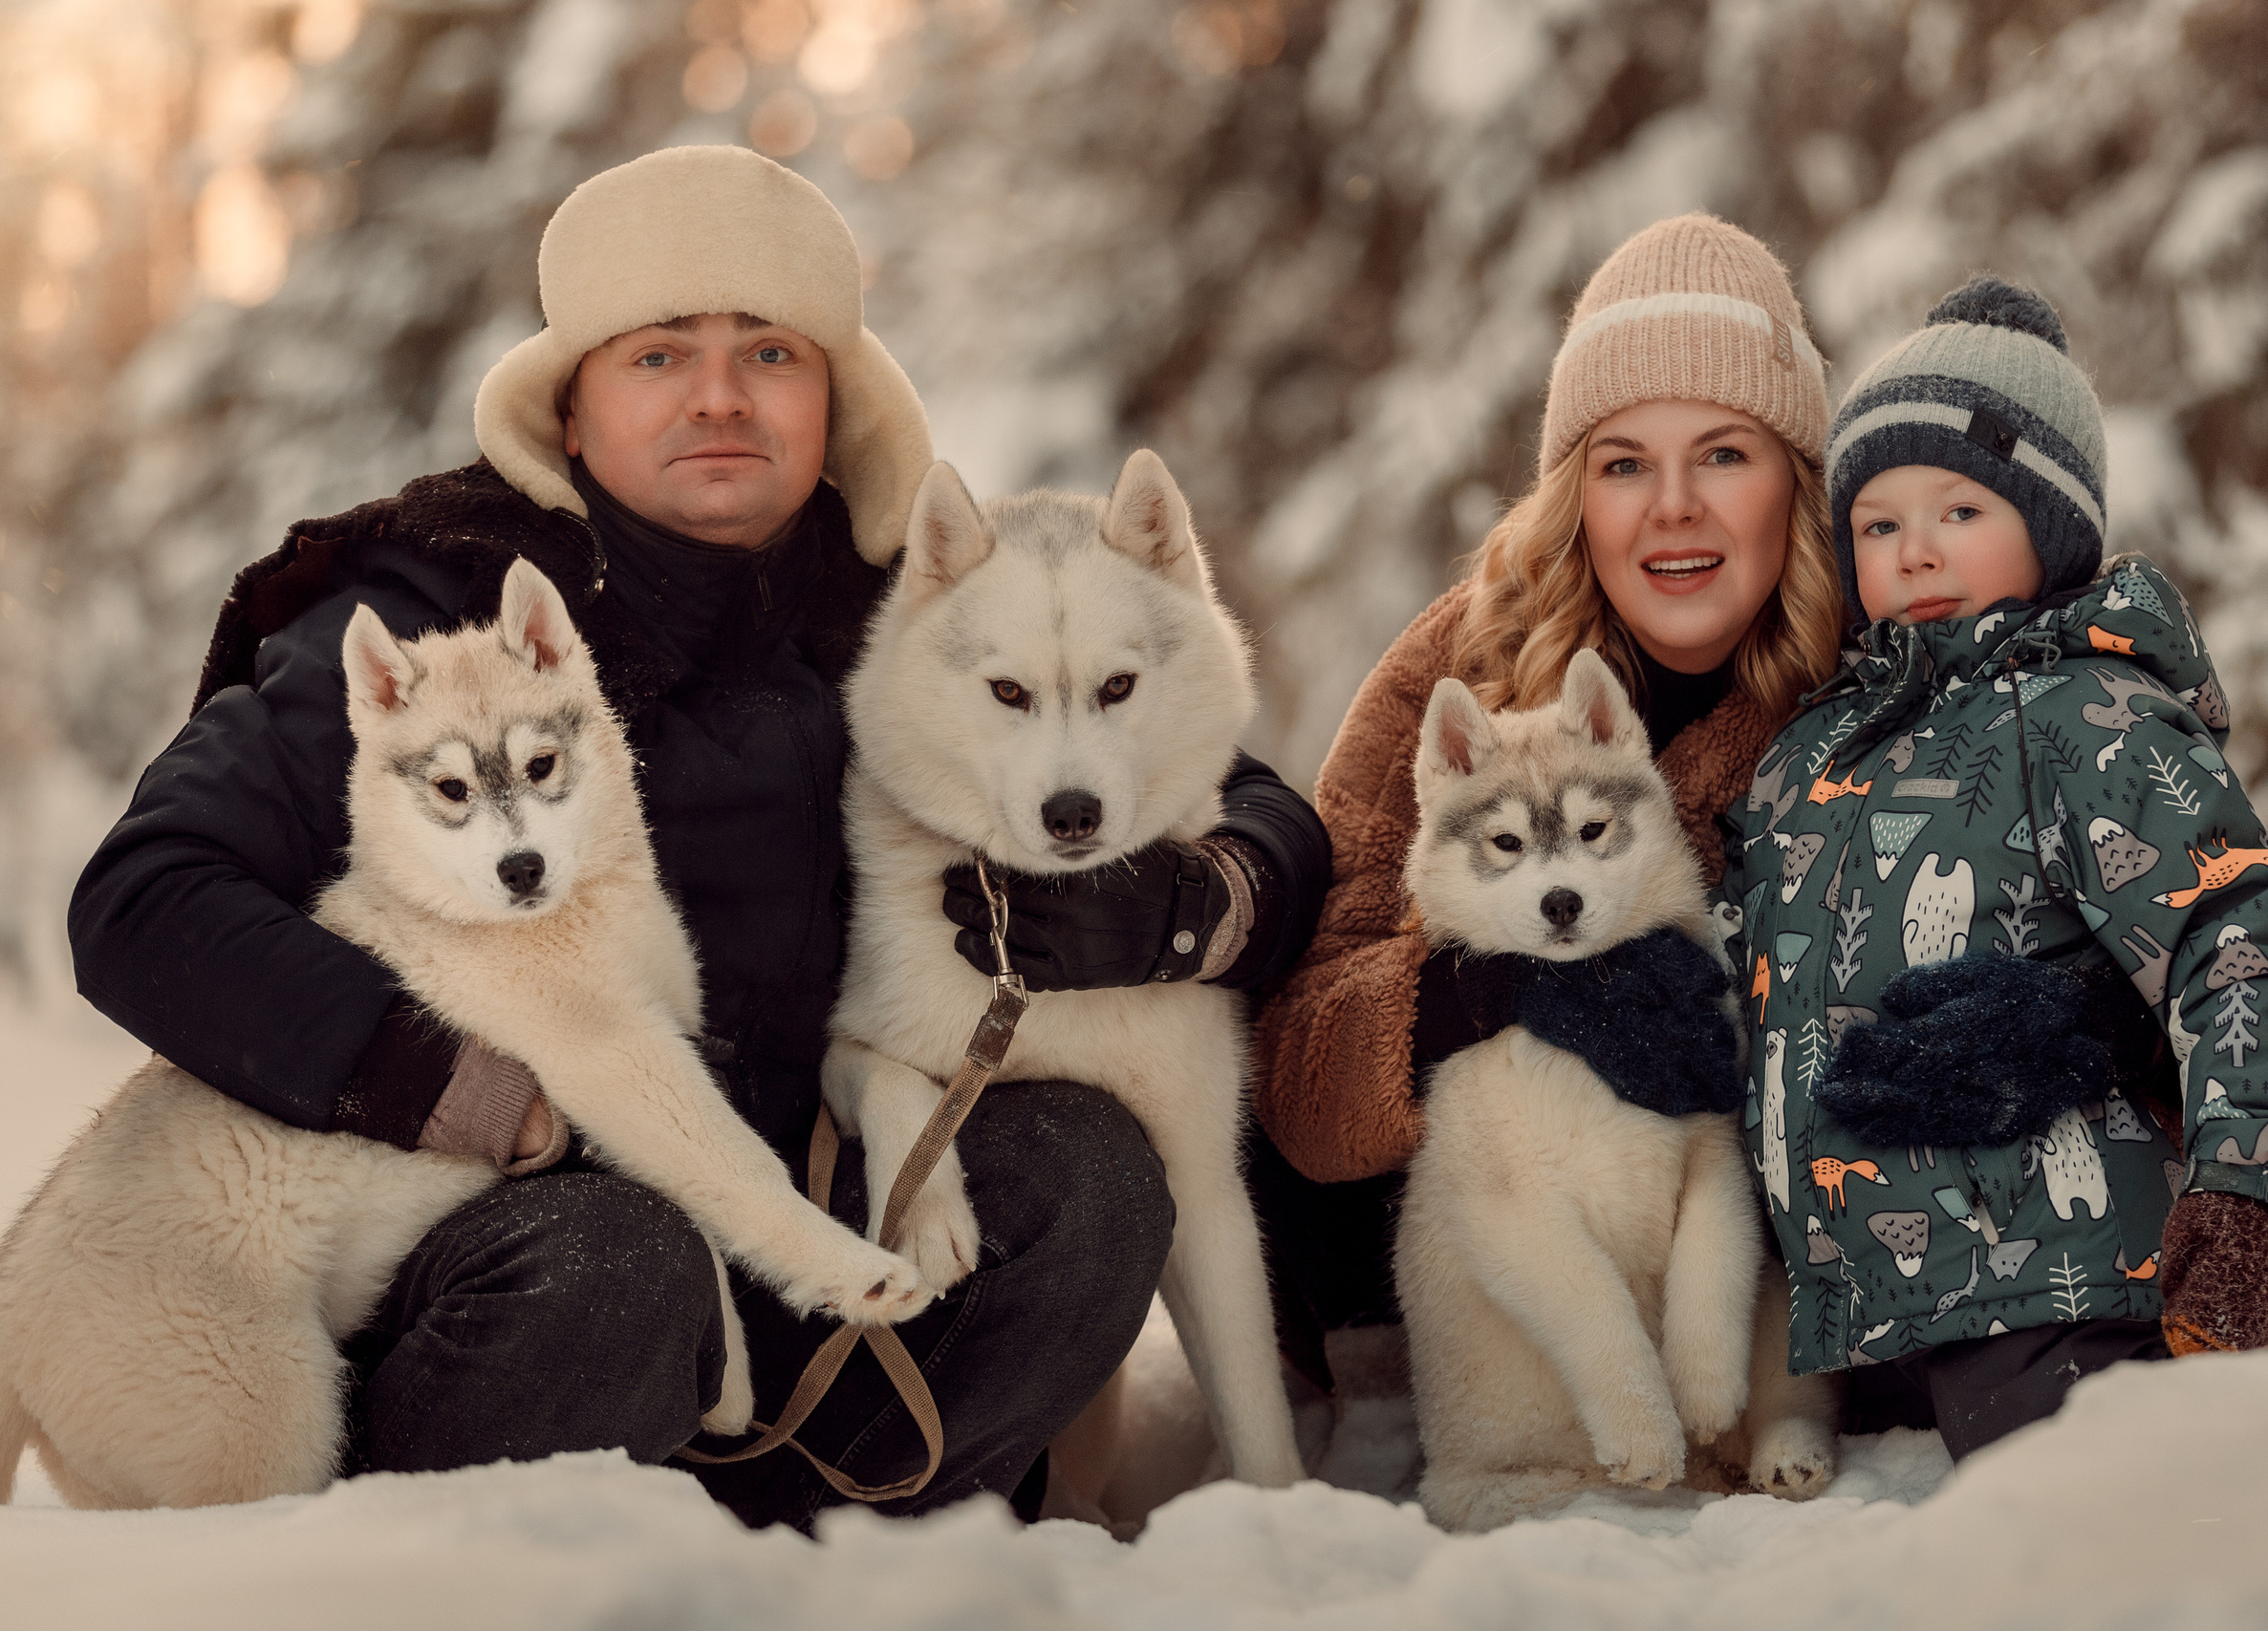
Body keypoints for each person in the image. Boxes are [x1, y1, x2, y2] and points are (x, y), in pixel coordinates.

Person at [66, 146, 1330, 1529]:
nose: (720, 396)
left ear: (836, 391)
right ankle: (425, 1563)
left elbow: (1231, 779)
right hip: (495, 1272)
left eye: (772, 351)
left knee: (1088, 1176)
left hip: (801, 1280)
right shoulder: (443, 617)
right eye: (659, 353)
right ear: (574, 397)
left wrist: (1203, 898)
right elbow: (145, 901)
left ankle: (858, 1542)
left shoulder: (905, 613)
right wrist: (459, 1087)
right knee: (624, 1259)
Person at [1726, 275, 2268, 1463]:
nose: (1915, 553)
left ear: (2048, 526)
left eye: (1959, 510)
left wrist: (2245, 1185)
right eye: (1879, 524)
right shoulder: (1809, 752)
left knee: (2102, 1451)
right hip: (1873, 1304)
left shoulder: (2080, 714)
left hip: (2054, 1263)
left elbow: (2238, 938)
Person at [1251, 214, 1847, 1391]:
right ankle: (1377, 1385)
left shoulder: (1874, 671)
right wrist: (1489, 987)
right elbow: (1297, 1070)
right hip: (1499, 1219)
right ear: (1577, 493)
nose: (1671, 505)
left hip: (1778, 1219)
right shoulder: (1461, 663)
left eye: (1724, 454)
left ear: (1797, 478)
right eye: (1624, 463)